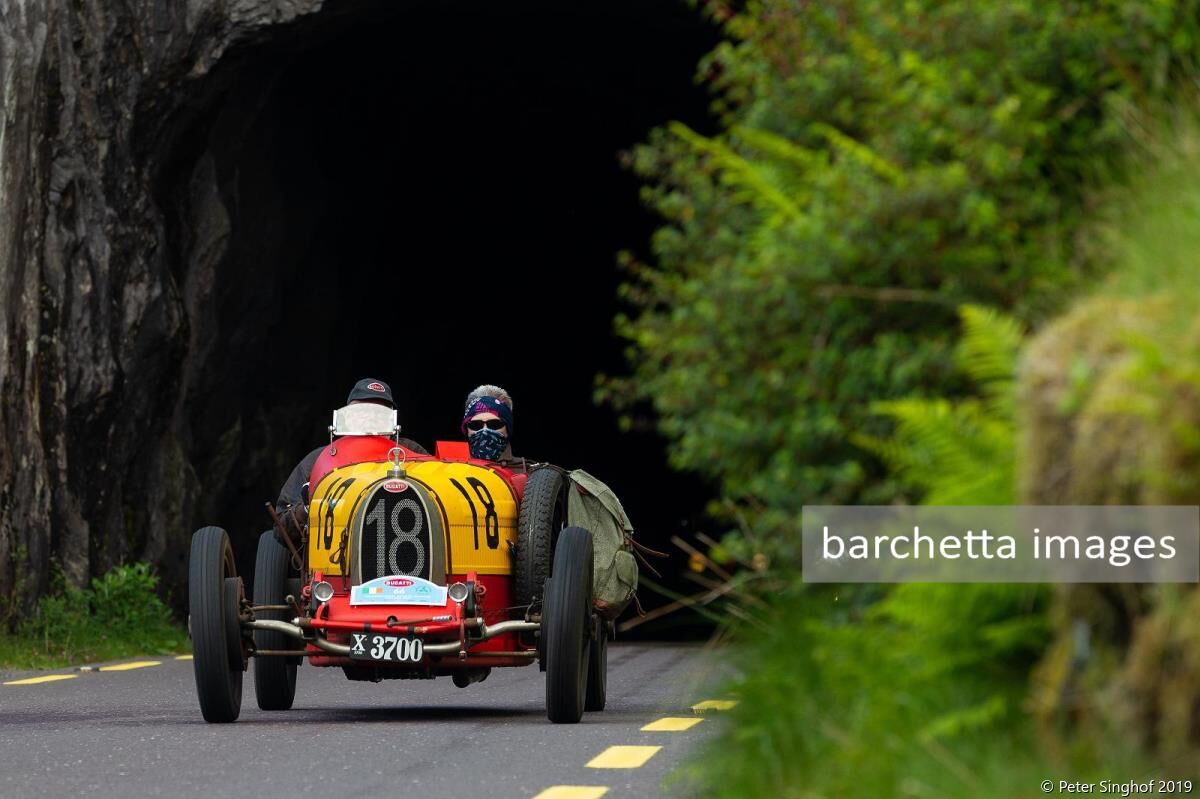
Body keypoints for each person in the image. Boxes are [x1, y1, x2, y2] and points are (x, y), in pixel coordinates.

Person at [275, 378, 427, 515]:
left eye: (380, 413)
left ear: (392, 419)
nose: (371, 418)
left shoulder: (411, 452)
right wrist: (308, 509)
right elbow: (282, 517)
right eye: (363, 411)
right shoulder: (318, 459)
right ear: (347, 416)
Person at [461, 384, 514, 462]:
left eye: (494, 424)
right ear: (466, 429)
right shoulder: (449, 468)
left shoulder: (528, 472)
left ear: (508, 428)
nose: (484, 431)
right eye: (476, 425)